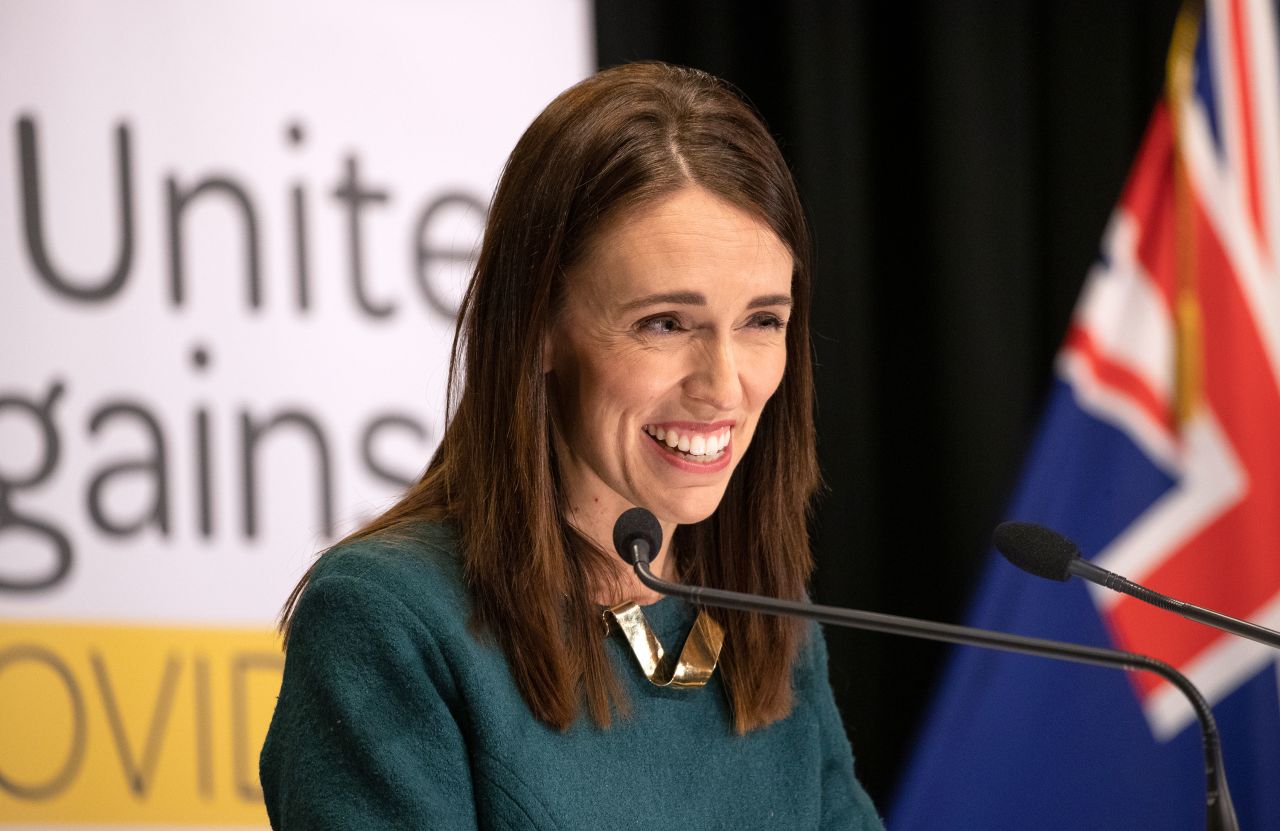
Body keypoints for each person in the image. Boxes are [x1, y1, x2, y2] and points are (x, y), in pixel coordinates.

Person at [259, 61, 884, 830]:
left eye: (762, 321)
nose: (725, 385)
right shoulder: (390, 620)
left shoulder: (765, 610)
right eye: (665, 323)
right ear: (540, 327)